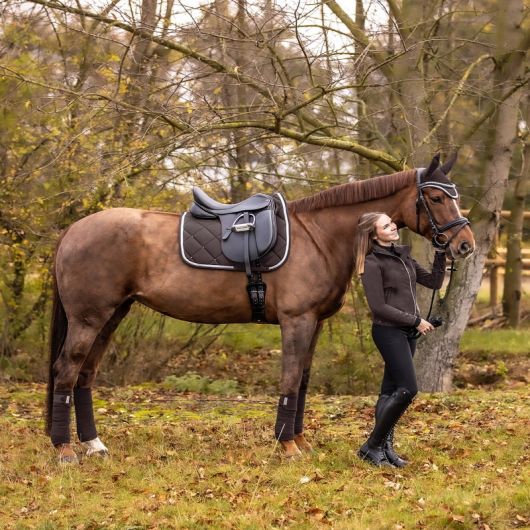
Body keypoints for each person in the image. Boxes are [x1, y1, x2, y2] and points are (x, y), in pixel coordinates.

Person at [354, 212, 446, 467]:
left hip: (406, 332)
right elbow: (379, 307)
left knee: (390, 391)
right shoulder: (371, 263)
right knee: (407, 389)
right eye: (386, 225)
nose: (393, 226)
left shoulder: (403, 255)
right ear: (374, 235)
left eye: (391, 222)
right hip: (388, 331)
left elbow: (434, 282)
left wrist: (440, 252)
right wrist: (415, 320)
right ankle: (371, 446)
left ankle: (385, 450)